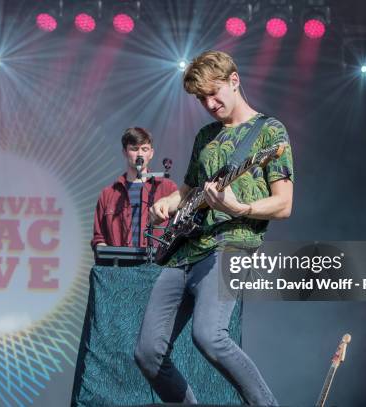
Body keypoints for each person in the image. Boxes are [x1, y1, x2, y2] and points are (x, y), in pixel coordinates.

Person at [133, 50, 294, 405]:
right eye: (201, 97)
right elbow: (190, 190)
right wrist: (169, 203)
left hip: (231, 245)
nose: (208, 102)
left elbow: (284, 203)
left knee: (209, 336)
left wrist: (242, 207)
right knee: (147, 353)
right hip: (184, 250)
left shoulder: (269, 132)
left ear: (234, 80)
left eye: (214, 92)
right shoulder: (206, 135)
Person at [91, 127, 177, 249]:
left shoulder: (168, 188)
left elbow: (178, 230)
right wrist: (107, 258)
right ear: (125, 152)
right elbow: (99, 237)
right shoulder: (108, 194)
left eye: (144, 149)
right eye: (134, 149)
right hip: (119, 265)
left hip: (158, 265)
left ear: (151, 153)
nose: (140, 154)